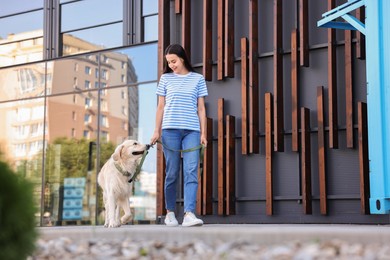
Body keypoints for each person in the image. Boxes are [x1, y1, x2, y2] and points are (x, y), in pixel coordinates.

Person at [150, 44, 208, 227]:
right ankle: (170, 213)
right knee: (172, 172)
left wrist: (203, 133)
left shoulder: (198, 79)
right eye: (169, 62)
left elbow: (201, 108)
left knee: (191, 171)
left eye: (174, 61)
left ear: (182, 58)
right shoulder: (166, 79)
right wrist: (156, 130)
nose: (172, 65)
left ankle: (189, 213)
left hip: (192, 131)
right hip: (170, 131)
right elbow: (160, 107)